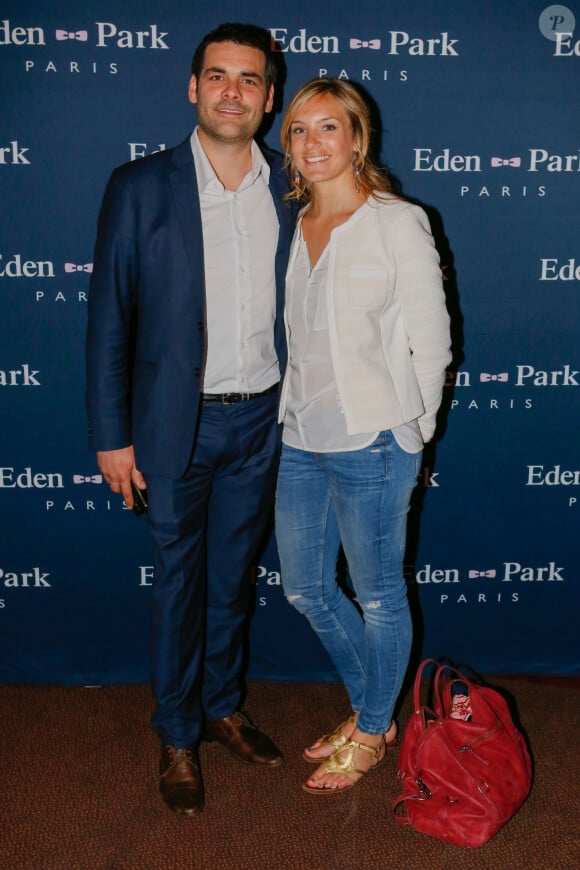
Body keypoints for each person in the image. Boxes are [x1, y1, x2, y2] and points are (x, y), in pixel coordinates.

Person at [86, 23, 294, 817]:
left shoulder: (292, 184)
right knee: (177, 585)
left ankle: (221, 705)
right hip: (175, 425)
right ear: (193, 88)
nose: (233, 92)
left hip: (263, 424)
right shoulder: (139, 186)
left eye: (249, 80)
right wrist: (112, 432)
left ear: (269, 98)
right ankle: (176, 732)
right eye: (218, 77)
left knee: (232, 582)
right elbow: (109, 317)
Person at [275, 79, 451, 794]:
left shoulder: (396, 221)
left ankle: (374, 729)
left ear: (357, 138)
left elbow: (434, 340)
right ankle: (371, 709)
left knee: (378, 597)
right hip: (300, 435)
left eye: (327, 128)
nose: (312, 143)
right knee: (306, 588)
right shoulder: (300, 218)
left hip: (374, 439)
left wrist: (415, 430)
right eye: (297, 131)